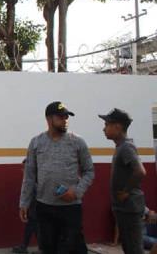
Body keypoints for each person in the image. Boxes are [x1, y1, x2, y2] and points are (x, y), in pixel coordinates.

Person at [19, 101, 94, 254]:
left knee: (72, 249)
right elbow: (29, 175)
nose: (65, 120)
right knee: (48, 248)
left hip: (71, 208)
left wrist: (76, 192)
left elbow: (89, 171)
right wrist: (24, 202)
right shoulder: (36, 142)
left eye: (67, 117)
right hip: (44, 207)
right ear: (49, 119)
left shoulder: (77, 142)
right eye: (61, 117)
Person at [100, 108, 146, 254]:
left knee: (133, 249)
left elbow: (140, 171)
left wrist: (126, 191)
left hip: (130, 208)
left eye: (107, 124)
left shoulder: (126, 147)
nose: (104, 128)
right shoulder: (121, 147)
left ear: (117, 127)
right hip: (124, 208)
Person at [13, 159, 37, 254]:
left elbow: (29, 190)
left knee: (34, 225)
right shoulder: (31, 177)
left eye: (24, 168)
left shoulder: (33, 178)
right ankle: (24, 246)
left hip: (37, 203)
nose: (22, 170)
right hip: (33, 204)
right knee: (32, 224)